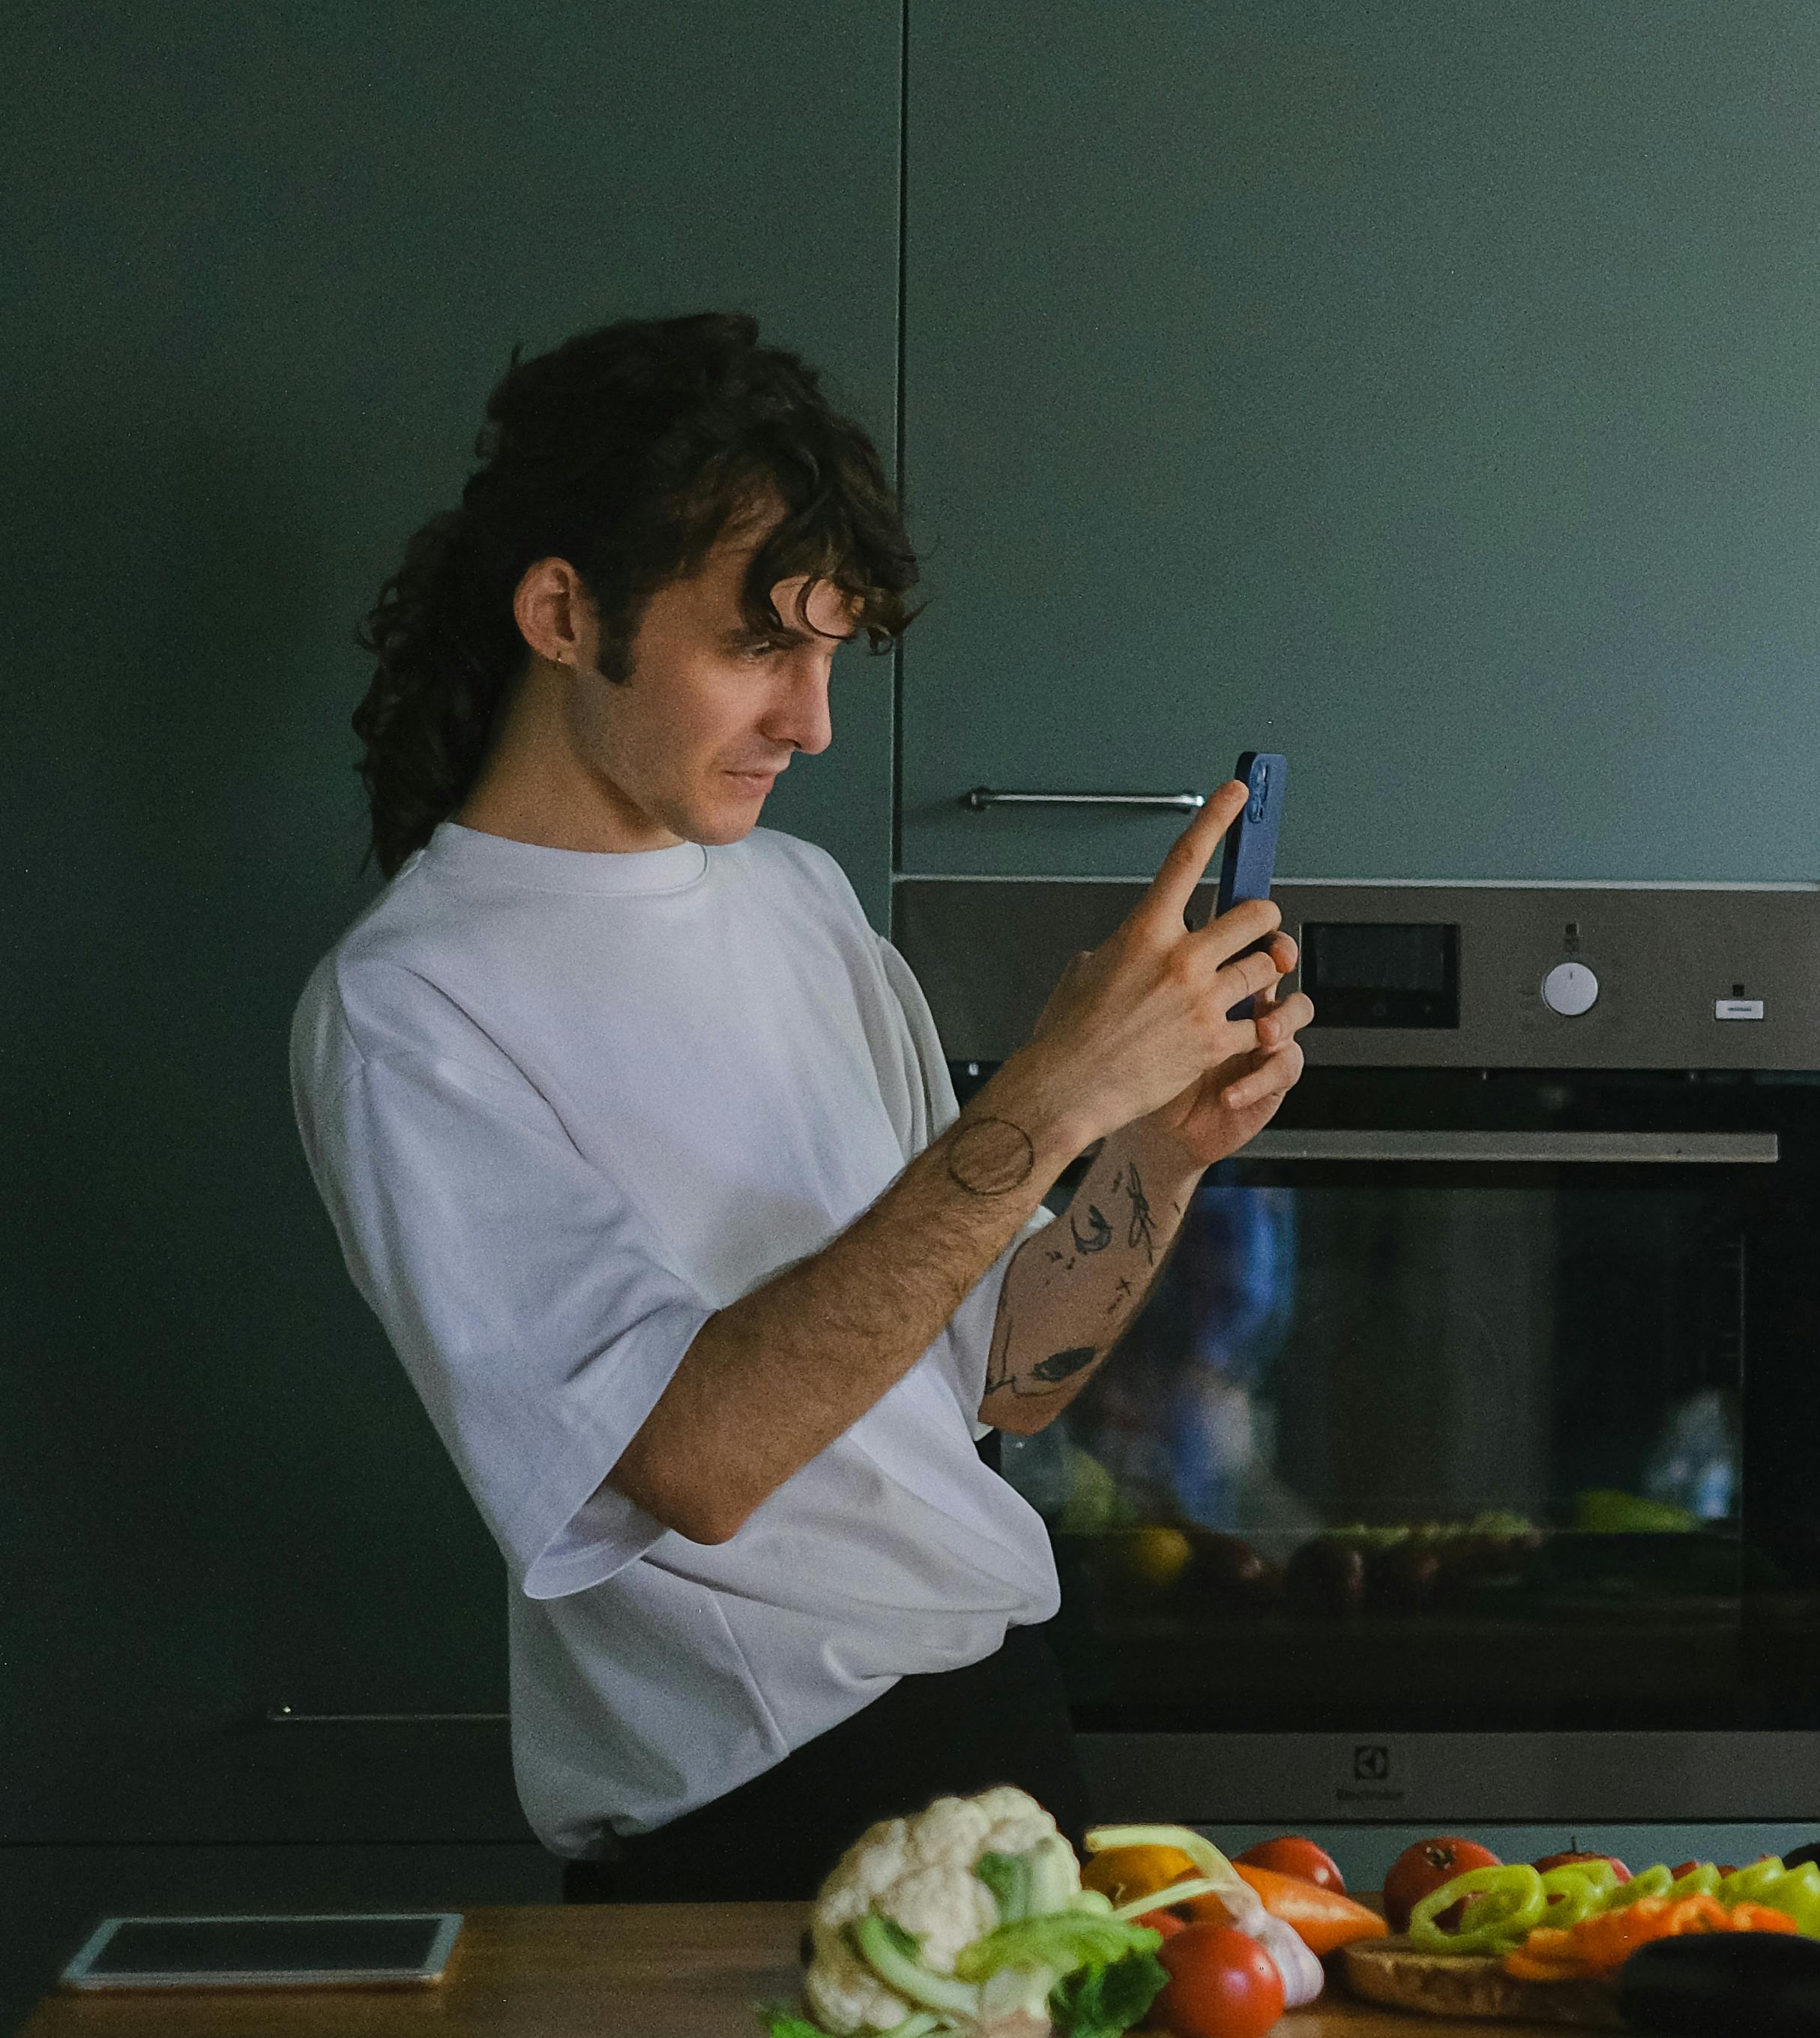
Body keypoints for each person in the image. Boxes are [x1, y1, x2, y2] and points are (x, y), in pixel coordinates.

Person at [292, 315, 1314, 1897]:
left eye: (834, 650)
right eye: (760, 647)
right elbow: (692, 1463)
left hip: (1003, 1729)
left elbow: (997, 1385)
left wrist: (1155, 1150)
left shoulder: (798, 895)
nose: (813, 720)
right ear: (564, 612)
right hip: (758, 1815)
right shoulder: (412, 1006)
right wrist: (1051, 1097)